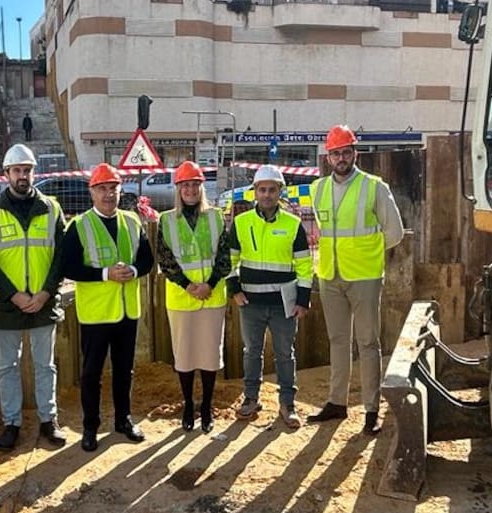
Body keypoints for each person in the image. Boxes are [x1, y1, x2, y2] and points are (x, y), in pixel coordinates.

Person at [307, 125, 404, 434]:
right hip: (330, 274)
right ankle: (337, 403)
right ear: (328, 157)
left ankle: (371, 409)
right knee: (337, 341)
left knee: (368, 343)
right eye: (336, 153)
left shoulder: (374, 186)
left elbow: (395, 233)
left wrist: (367, 253)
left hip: (363, 275)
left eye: (346, 152)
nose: (341, 158)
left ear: (355, 154)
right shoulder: (317, 188)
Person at [59, 163, 154, 451]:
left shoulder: (133, 222)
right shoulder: (78, 226)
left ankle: (123, 419)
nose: (108, 194)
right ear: (92, 192)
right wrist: (105, 274)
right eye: (102, 189)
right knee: (91, 373)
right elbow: (69, 266)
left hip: (126, 312)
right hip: (96, 314)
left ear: (120, 190)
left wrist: (134, 271)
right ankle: (90, 426)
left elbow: (147, 260)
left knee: (125, 370)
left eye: (113, 188)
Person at [0, 143, 68, 451]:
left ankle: (49, 421)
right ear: (6, 174)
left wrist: (46, 293)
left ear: (33, 173)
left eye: (27, 170)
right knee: (8, 367)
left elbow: (61, 257)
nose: (23, 176)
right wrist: (14, 295)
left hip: (44, 303)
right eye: (17, 170)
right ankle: (12, 423)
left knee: (45, 365)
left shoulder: (52, 208)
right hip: (7, 304)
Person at [227, 164, 313, 429]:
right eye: (262, 189)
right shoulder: (241, 223)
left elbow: (304, 265)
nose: (266, 194)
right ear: (255, 192)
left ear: (280, 192)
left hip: (283, 304)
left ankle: (287, 403)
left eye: (271, 190)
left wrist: (302, 299)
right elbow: (229, 259)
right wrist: (234, 290)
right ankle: (251, 398)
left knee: (285, 354)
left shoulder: (293, 224)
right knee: (251, 352)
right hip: (250, 303)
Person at [155, 161, 230, 433]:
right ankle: (188, 404)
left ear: (202, 187)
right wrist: (188, 285)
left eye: (194, 184)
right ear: (178, 188)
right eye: (185, 185)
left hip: (212, 296)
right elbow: (165, 259)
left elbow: (225, 255)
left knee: (209, 356)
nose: (190, 189)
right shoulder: (166, 220)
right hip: (181, 298)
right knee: (185, 357)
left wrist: (209, 284)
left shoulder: (217, 216)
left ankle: (207, 407)